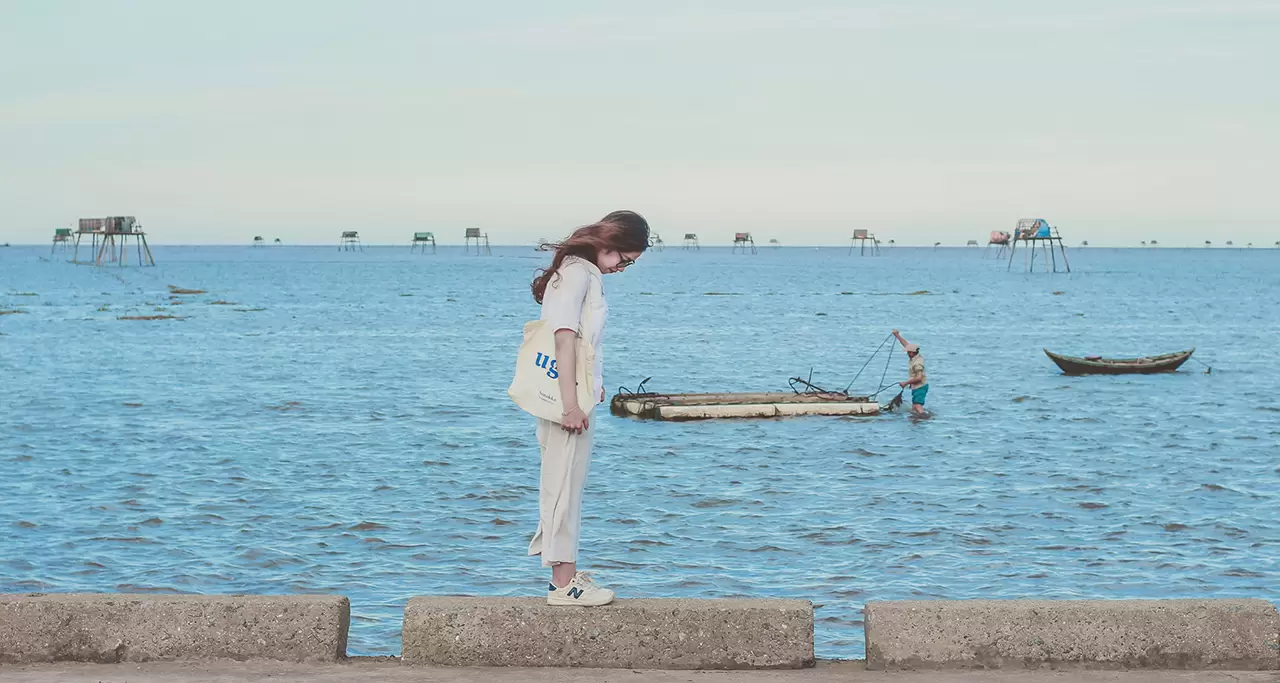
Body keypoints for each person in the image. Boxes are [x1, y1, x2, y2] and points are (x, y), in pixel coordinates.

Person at [527, 210, 649, 606]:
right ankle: (563, 585)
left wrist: (591, 385)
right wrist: (570, 404)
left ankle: (564, 577)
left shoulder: (579, 272)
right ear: (607, 243)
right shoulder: (578, 273)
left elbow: (580, 347)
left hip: (576, 396)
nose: (621, 268)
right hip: (567, 403)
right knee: (563, 485)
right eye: (623, 260)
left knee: (565, 484)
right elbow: (563, 340)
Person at [892, 329, 928, 415]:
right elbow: (905, 344)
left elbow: (919, 378)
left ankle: (924, 418)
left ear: (912, 353)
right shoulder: (915, 355)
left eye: (908, 352)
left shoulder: (917, 363)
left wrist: (905, 383)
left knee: (917, 405)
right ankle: (916, 422)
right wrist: (897, 335)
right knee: (914, 407)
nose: (907, 353)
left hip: (920, 387)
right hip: (916, 387)